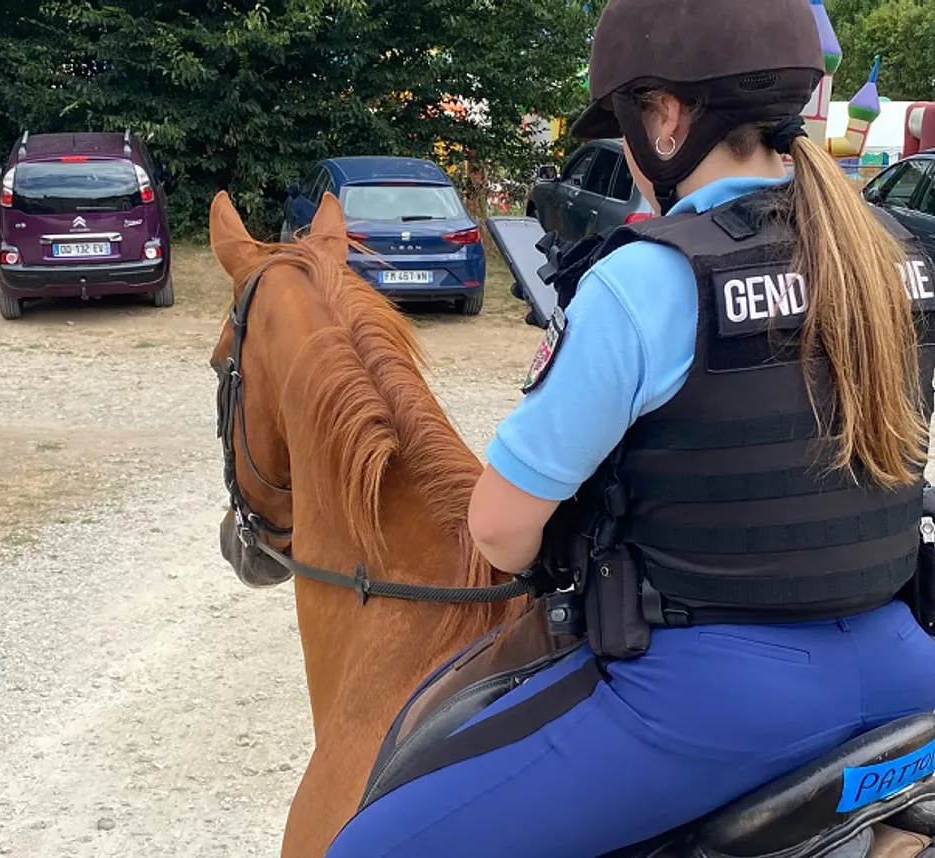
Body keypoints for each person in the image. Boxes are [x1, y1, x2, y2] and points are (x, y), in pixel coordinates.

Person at [324, 0, 935, 856]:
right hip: (909, 662)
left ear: (667, 117)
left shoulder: (643, 281)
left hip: (717, 706)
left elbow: (499, 534)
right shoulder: (896, 252)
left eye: (624, 118)